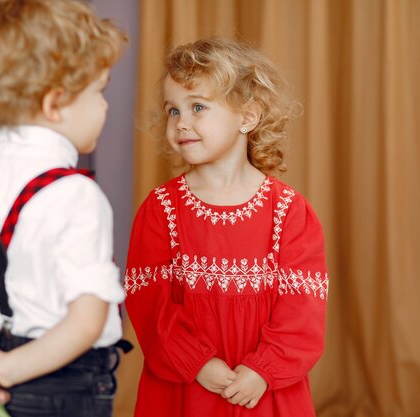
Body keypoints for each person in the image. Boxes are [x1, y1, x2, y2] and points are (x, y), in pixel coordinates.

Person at [124, 37, 329, 417]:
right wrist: (197, 362)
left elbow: (303, 310)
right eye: (172, 111)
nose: (181, 122)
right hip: (185, 390)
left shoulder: (289, 211)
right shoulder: (160, 209)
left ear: (247, 117)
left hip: (263, 391)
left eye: (197, 107)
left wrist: (262, 370)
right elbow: (150, 305)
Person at [0, 1, 128, 416]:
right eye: (99, 91)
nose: (105, 106)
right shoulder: (75, 194)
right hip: (67, 385)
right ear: (55, 103)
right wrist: (10, 368)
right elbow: (87, 322)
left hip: (3, 382)